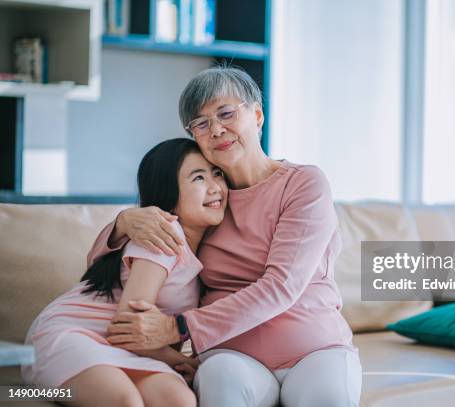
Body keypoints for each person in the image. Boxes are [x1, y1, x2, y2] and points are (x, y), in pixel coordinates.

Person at [89, 66, 362, 406]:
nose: (216, 129)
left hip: (314, 350)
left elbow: (282, 285)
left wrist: (178, 328)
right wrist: (123, 223)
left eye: (226, 113)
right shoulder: (202, 201)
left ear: (258, 115)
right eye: (201, 123)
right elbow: (107, 262)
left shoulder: (304, 183)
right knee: (221, 383)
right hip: (232, 356)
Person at [22, 138, 228, 406]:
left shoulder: (208, 248)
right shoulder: (163, 235)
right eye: (199, 178)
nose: (215, 187)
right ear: (170, 195)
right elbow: (127, 327)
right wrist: (184, 361)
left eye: (217, 174)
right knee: (125, 401)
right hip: (71, 335)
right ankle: (12, 391)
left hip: (127, 348)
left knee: (179, 401)